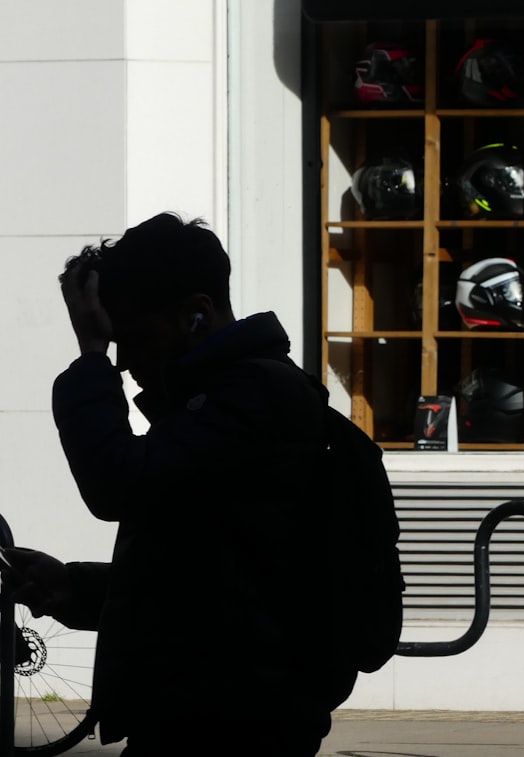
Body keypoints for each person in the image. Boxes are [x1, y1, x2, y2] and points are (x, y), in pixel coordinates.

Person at [2, 212, 358, 756]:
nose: (125, 363)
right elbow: (206, 576)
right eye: (116, 345)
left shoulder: (253, 396)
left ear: (198, 313)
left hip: (232, 722)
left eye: (135, 339)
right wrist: (75, 588)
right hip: (213, 711)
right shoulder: (233, 398)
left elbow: (116, 486)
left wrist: (91, 357)